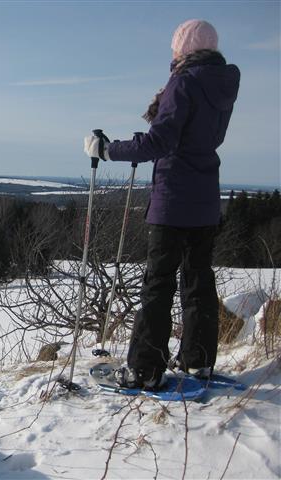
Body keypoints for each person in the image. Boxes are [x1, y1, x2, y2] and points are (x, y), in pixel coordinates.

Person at [83, 19, 240, 390]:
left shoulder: (183, 82)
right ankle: (198, 362)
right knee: (198, 281)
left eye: (174, 48)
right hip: (204, 199)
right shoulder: (221, 84)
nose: (171, 54)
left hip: (173, 198)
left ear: (184, 49)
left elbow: (161, 142)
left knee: (158, 285)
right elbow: (186, 135)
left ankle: (144, 369)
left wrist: (108, 150)